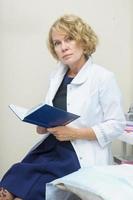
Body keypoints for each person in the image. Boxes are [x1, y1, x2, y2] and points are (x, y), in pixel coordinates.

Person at [0, 14, 125, 200]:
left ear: (83, 40)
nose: (63, 47)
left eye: (69, 39)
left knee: (25, 195)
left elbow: (117, 125)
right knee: (7, 189)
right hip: (51, 148)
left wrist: (75, 133)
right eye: (57, 43)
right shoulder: (56, 76)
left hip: (76, 153)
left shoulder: (102, 77)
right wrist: (41, 124)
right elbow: (51, 115)